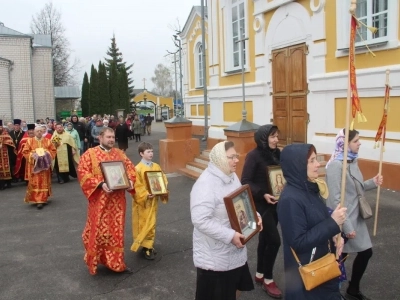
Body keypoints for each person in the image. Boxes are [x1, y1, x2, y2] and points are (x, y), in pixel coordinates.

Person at [190, 141, 262, 300]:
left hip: (233, 253)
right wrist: (230, 236)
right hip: (215, 259)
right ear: (220, 159)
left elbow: (241, 201)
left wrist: (255, 216)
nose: (236, 160)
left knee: (234, 289)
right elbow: (200, 219)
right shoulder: (205, 184)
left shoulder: (231, 176)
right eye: (231, 157)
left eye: (236, 156)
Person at [277, 143, 347, 299]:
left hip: (323, 268)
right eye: (312, 161)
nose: (318, 164)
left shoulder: (309, 188)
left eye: (316, 160)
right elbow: (299, 242)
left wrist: (336, 235)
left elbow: (317, 222)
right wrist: (333, 223)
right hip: (307, 280)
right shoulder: (290, 199)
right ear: (298, 165)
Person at [326, 129, 383, 300]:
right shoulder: (336, 165)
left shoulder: (352, 161)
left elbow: (356, 189)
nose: (359, 143)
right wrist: (347, 227)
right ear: (345, 144)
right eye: (356, 140)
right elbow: (334, 200)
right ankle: (332, 293)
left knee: (365, 253)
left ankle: (352, 289)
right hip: (344, 220)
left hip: (356, 217)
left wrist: (372, 182)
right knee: (338, 258)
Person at [77, 127, 136, 275]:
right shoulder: (90, 154)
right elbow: (83, 173)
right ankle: (96, 259)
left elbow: (130, 169)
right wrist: (100, 184)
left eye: (113, 137)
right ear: (100, 138)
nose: (111, 140)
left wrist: (129, 180)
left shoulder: (120, 153)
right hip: (99, 201)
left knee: (116, 232)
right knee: (97, 231)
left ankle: (116, 263)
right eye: (108, 137)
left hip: (117, 202)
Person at [241, 124, 282, 298]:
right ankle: (268, 280)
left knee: (265, 240)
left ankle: (259, 274)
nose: (276, 139)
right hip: (261, 204)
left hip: (276, 204)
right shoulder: (253, 156)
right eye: (272, 136)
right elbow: (246, 180)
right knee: (275, 241)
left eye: (277, 136)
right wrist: (263, 193)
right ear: (263, 138)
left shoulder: (277, 154)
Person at [130, 142, 168, 260]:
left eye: (152, 151)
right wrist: (146, 194)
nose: (151, 153)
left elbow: (163, 179)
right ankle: (145, 247)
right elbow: (137, 186)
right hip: (143, 202)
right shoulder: (137, 169)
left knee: (152, 222)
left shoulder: (156, 166)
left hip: (153, 200)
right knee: (144, 223)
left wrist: (162, 188)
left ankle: (149, 245)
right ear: (141, 154)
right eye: (148, 152)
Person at [22, 126, 57, 209]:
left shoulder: (47, 141)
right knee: (35, 182)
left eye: (40, 131)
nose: (39, 132)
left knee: (44, 182)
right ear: (34, 132)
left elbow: (53, 150)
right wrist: (33, 156)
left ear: (43, 132)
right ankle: (37, 199)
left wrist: (47, 154)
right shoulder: (29, 141)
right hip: (34, 166)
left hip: (44, 167)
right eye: (37, 131)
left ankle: (43, 199)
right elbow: (25, 152)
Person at [0, 120, 16, 190]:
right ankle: (1, 184)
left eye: (0, 127)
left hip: (6, 154)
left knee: (7, 167)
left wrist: (4, 143)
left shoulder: (5, 134)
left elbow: (10, 143)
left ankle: (8, 182)